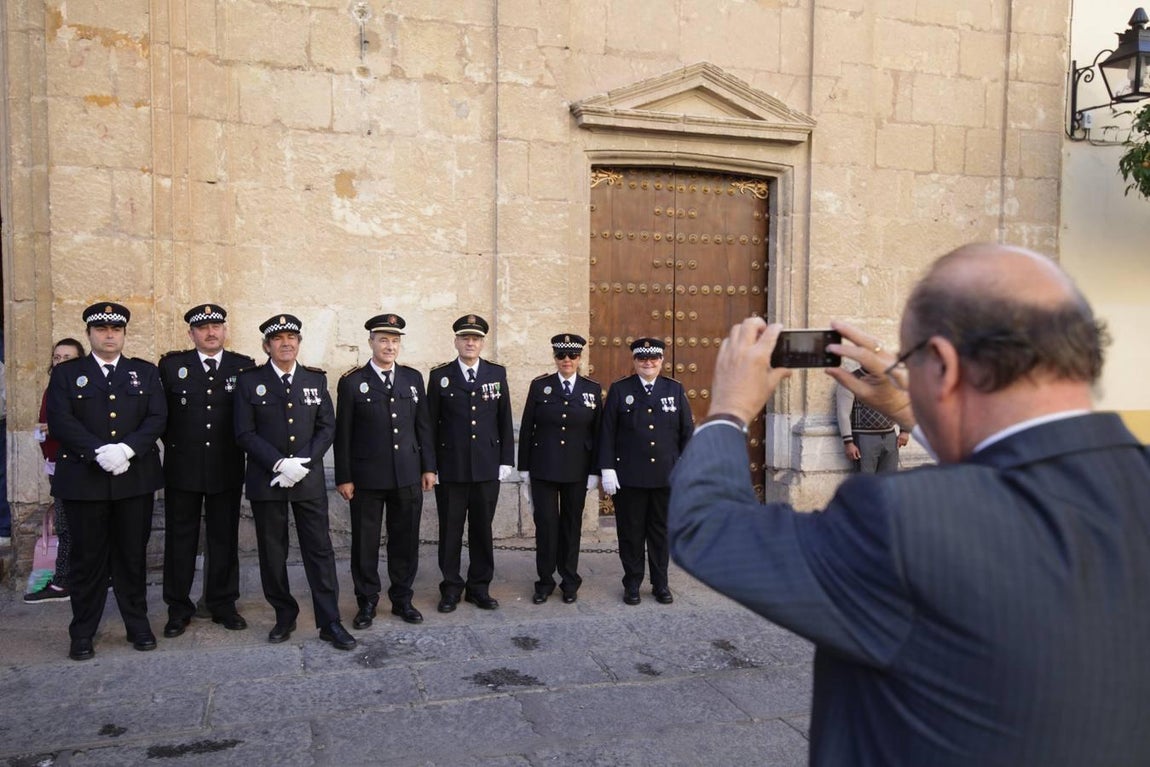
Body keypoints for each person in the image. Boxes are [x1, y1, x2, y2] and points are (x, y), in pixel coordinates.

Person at [668, 243, 1150, 767]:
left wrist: (728, 409)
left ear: (942, 364)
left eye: (910, 362)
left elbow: (706, 527)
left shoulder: (901, 523)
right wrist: (911, 410)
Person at [46, 303, 166, 661]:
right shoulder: (68, 374)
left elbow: (158, 416)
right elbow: (61, 419)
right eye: (102, 330)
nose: (109, 335)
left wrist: (127, 450)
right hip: (85, 479)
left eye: (116, 329)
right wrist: (98, 451)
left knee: (132, 556)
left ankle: (137, 624)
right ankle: (83, 631)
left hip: (134, 479)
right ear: (89, 334)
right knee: (87, 559)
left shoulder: (143, 373)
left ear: (124, 334)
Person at [233, 314, 356, 651]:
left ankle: (330, 621)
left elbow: (326, 427)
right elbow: (243, 431)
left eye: (292, 337)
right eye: (278, 338)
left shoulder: (314, 381)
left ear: (299, 343)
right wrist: (278, 463)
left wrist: (302, 463)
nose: (286, 343)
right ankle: (284, 615)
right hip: (267, 479)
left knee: (319, 551)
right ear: (267, 346)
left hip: (307, 479)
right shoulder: (249, 382)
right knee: (273, 552)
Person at [157, 305, 255, 637]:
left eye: (216, 326)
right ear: (191, 334)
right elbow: (162, 419)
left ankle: (222, 603)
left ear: (225, 330)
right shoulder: (173, 366)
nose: (210, 332)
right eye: (203, 328)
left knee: (224, 538)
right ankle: (178, 607)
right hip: (182, 468)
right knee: (179, 539)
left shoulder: (242, 367)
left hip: (226, 468)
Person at [334, 313, 436, 627]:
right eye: (383, 340)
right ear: (371, 343)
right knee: (365, 542)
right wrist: (344, 476)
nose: (389, 346)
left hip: (407, 473)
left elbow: (423, 427)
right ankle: (366, 603)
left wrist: (428, 467)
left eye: (394, 341)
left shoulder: (412, 378)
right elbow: (343, 434)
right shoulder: (352, 381)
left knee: (404, 540)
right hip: (367, 478)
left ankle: (402, 599)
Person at [427, 314, 514, 613]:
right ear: (456, 341)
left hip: (487, 467)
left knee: (482, 530)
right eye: (465, 338)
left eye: (475, 338)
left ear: (482, 342)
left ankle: (479, 587)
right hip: (451, 468)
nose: (470, 342)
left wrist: (506, 460)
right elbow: (430, 425)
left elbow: (504, 419)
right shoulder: (440, 376)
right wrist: (431, 466)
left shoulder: (496, 374)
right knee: (450, 531)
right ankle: (450, 588)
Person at [598, 338, 693, 606]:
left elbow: (687, 433)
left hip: (666, 476)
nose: (648, 363)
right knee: (631, 533)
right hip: (629, 477)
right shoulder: (620, 390)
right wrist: (607, 468)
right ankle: (632, 584)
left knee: (660, 533)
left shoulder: (674, 389)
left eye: (653, 359)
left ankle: (660, 584)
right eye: (642, 359)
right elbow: (607, 432)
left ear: (661, 361)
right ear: (635, 361)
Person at [518, 333, 602, 604]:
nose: (567, 360)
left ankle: (569, 579)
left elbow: (598, 433)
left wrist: (595, 471)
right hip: (544, 468)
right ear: (555, 358)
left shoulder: (591, 389)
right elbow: (528, 426)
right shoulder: (540, 386)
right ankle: (544, 580)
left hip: (577, 470)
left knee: (571, 525)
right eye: (561, 356)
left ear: (579, 359)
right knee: (545, 525)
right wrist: (524, 469)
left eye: (572, 356)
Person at [24, 338, 86, 603]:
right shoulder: (54, 387)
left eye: (67, 358)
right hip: (55, 463)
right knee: (66, 523)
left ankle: (63, 582)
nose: (60, 362)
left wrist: (55, 427)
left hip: (72, 465)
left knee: (66, 524)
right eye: (57, 357)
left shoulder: (80, 388)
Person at [834, 366, 909, 472]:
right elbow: (843, 414)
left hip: (891, 438)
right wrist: (848, 443)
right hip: (864, 439)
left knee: (889, 482)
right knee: (865, 483)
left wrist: (905, 431)